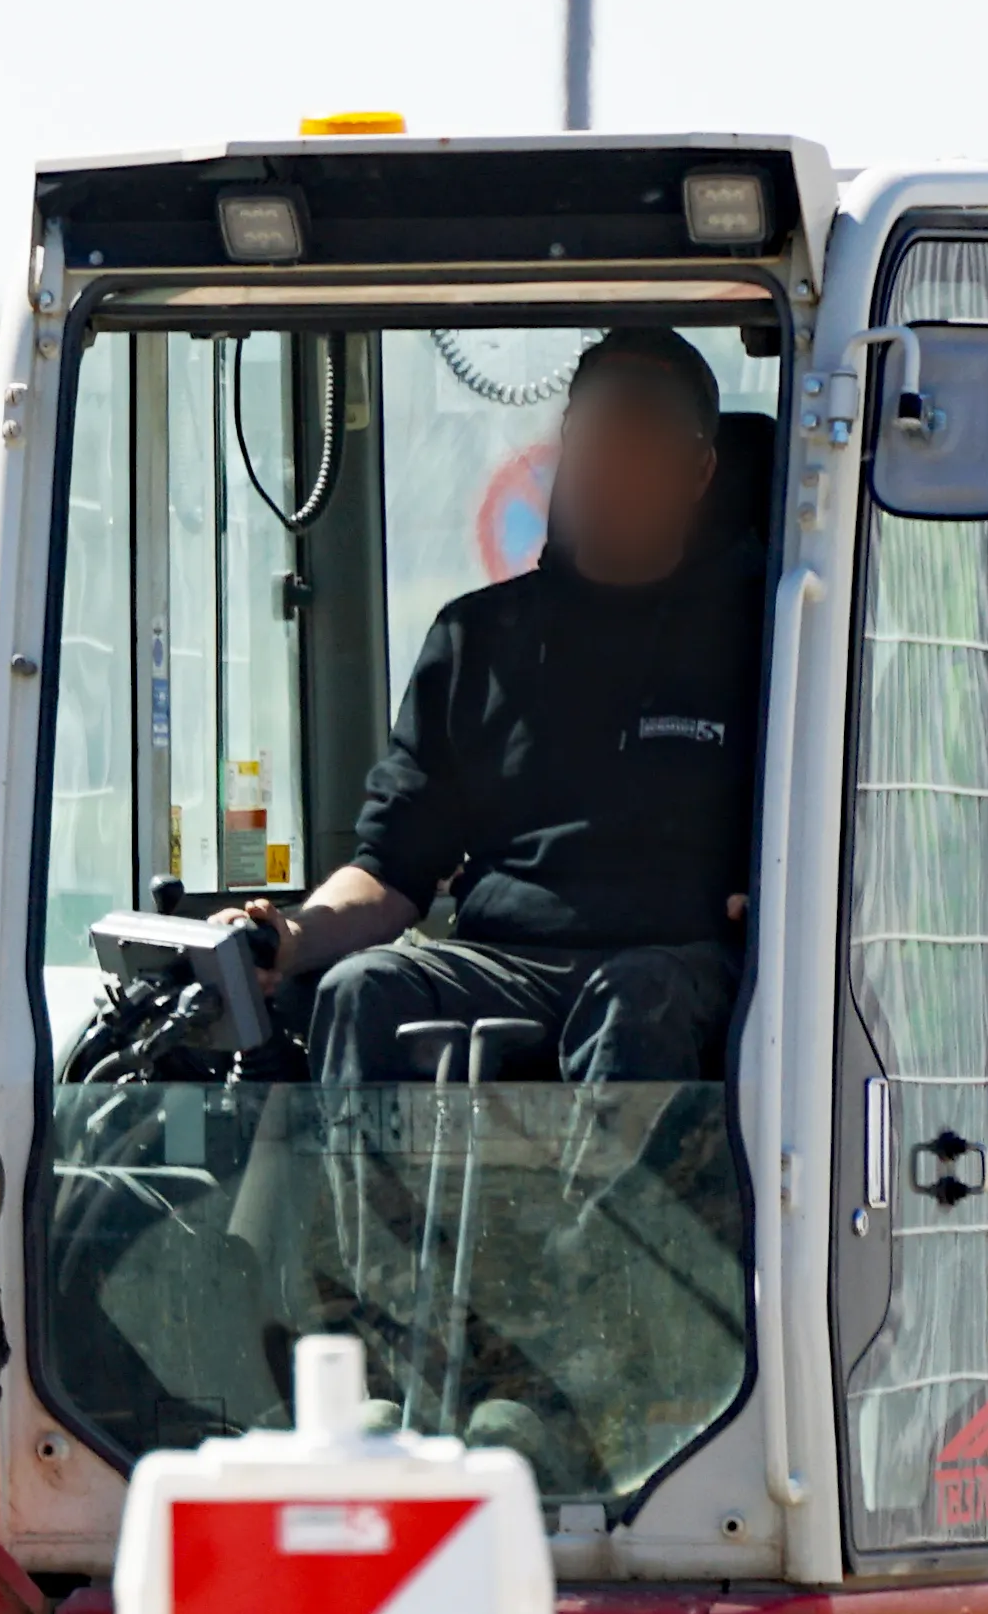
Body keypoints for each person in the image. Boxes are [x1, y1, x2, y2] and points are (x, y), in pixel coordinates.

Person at [266, 322, 762, 1086]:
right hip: (502, 962)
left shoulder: (762, 642)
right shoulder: (476, 639)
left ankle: (633, 1176)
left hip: (677, 965)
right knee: (361, 990)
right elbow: (392, 869)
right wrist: (288, 937)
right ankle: (365, 1174)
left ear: (698, 470)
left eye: (639, 442)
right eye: (595, 437)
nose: (610, 466)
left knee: (637, 1003)